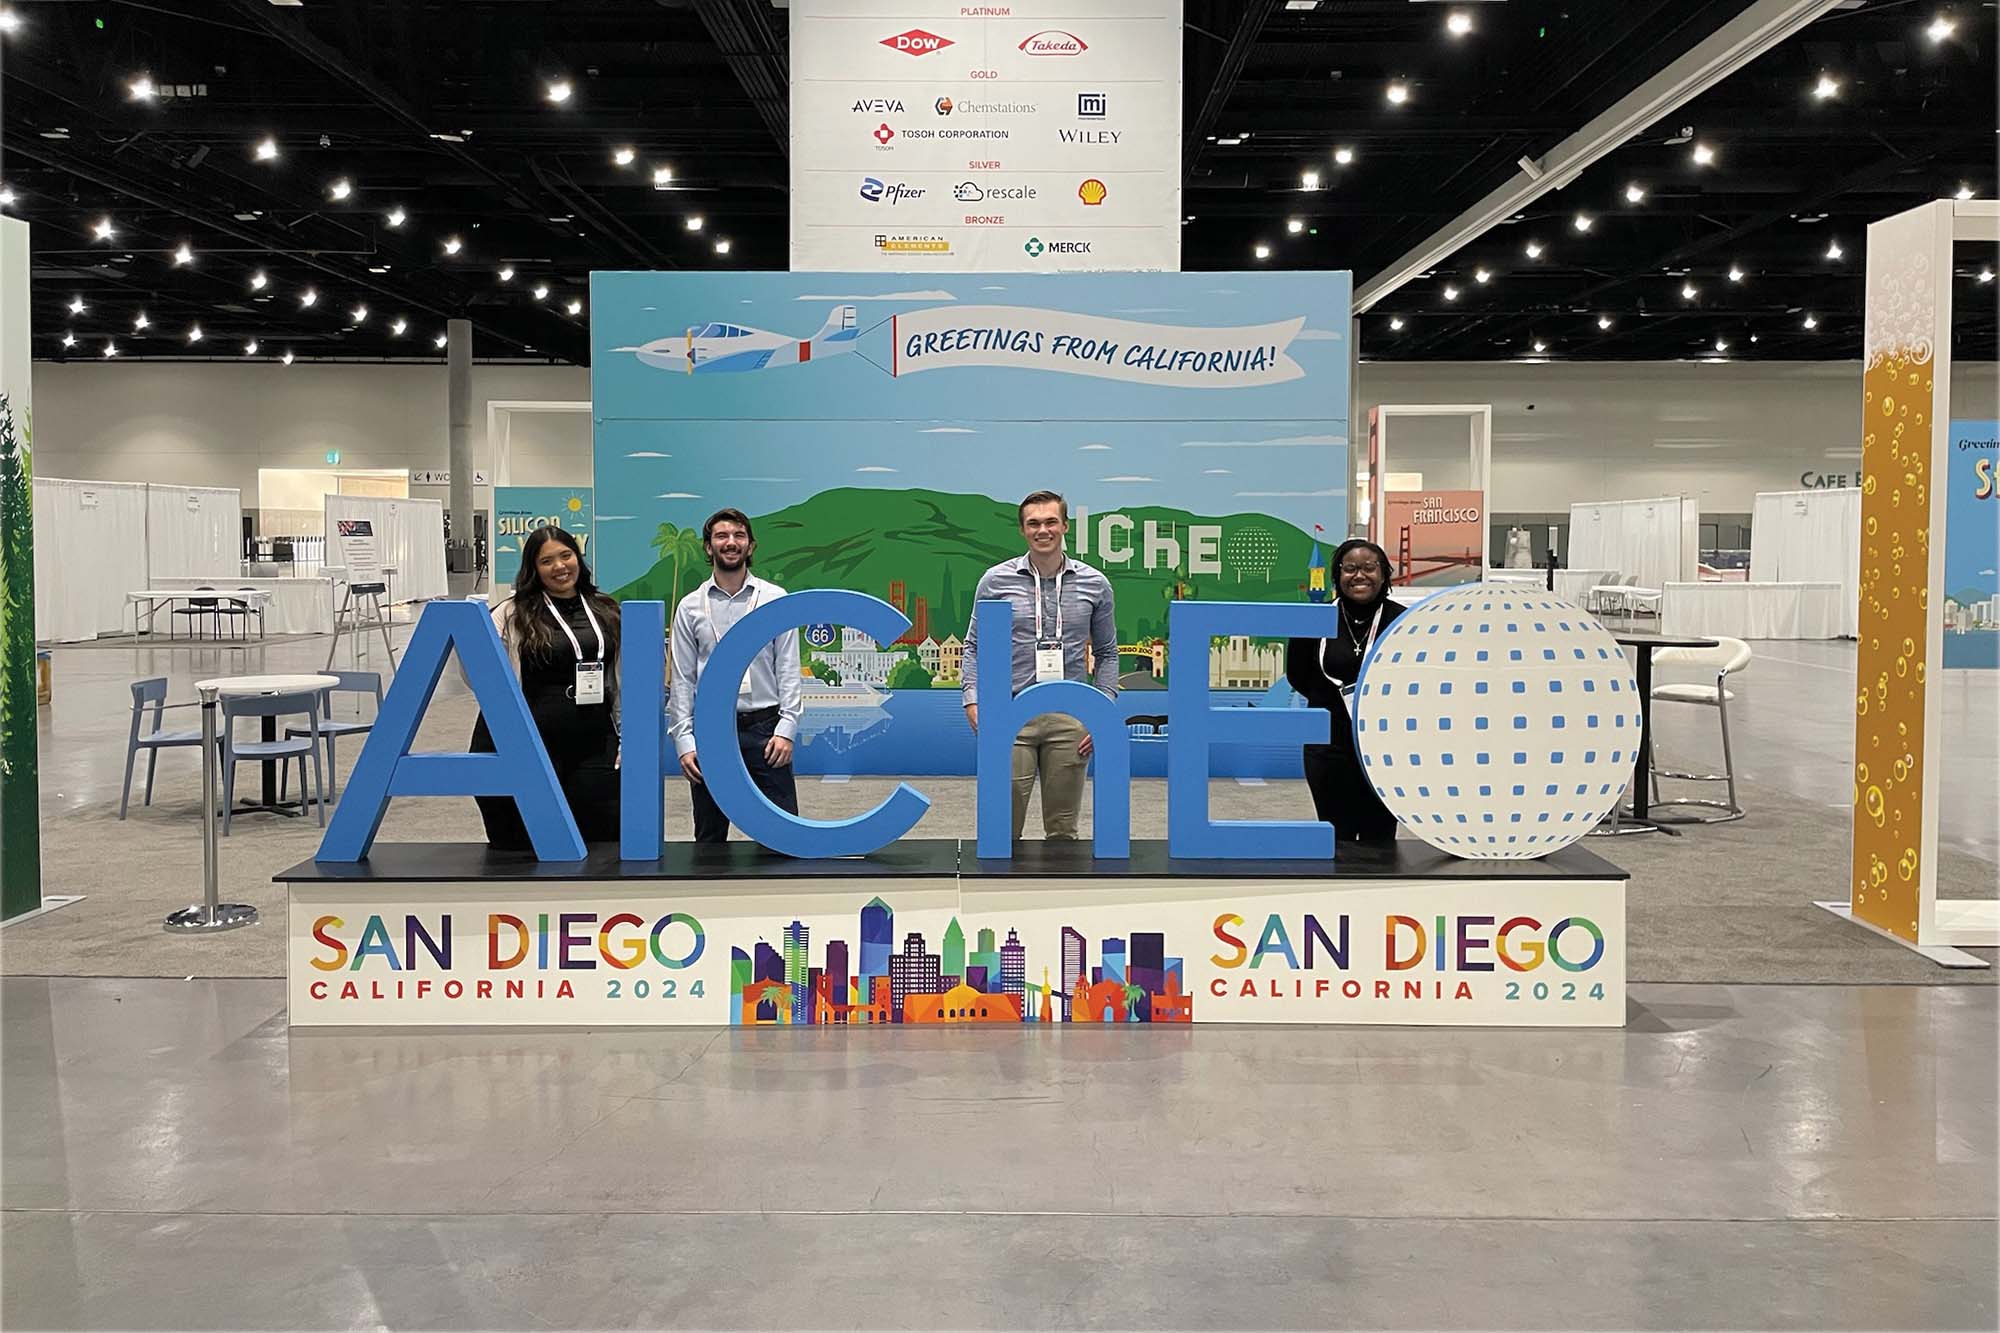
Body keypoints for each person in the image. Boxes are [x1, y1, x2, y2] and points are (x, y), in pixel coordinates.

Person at [961, 490, 1118, 841]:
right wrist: (972, 700)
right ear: (1022, 530)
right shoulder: (995, 581)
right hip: (1011, 713)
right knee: (1002, 828)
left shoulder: (1096, 585)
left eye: (1050, 522)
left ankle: (1058, 895)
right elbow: (973, 646)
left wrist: (1101, 712)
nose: (1042, 530)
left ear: (1064, 526)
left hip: (1070, 718)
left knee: (1064, 830)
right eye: (1033, 523)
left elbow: (1107, 652)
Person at [471, 525, 622, 849]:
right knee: (523, 841)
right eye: (547, 561)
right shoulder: (513, 613)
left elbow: (620, 677)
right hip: (529, 739)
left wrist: (627, 733)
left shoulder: (605, 609)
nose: (559, 567)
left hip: (592, 738)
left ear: (578, 558)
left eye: (565, 555)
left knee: (602, 835)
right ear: (533, 569)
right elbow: (476, 671)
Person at [668, 507, 803, 843]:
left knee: (783, 835)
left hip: (765, 730)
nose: (731, 542)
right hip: (712, 730)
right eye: (722, 536)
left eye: (739, 535)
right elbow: (683, 679)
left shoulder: (774, 599)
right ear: (708, 547)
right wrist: (685, 741)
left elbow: (787, 669)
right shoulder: (689, 607)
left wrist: (787, 729)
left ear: (751, 546)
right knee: (709, 837)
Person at [1285, 538, 1407, 845]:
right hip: (1327, 747)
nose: (1359, 575)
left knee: (1378, 838)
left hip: (1384, 747)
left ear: (1384, 574)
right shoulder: (1314, 620)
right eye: (1350, 568)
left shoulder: (1403, 621)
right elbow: (1298, 674)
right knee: (1334, 836)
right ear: (1337, 575)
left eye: (1369, 568)